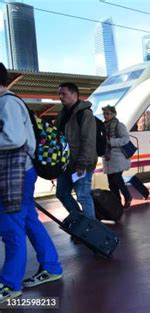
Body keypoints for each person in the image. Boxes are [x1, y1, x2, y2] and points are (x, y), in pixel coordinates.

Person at [0, 63, 63, 303]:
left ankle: (9, 284)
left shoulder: (7, 103)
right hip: (19, 173)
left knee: (10, 226)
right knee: (26, 221)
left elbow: (14, 138)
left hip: (15, 174)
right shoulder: (8, 102)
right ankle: (52, 266)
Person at [55, 82, 97, 219]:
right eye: (59, 94)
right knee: (61, 193)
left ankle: (91, 230)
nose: (60, 97)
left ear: (74, 94)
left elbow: (88, 140)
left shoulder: (84, 114)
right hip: (65, 163)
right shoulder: (62, 114)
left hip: (80, 164)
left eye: (64, 94)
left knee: (83, 196)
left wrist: (82, 163)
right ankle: (80, 221)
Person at [102, 105, 133, 208]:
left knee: (117, 179)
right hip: (108, 157)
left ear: (114, 114)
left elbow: (125, 139)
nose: (106, 116)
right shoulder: (103, 126)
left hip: (118, 157)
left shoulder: (119, 125)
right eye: (104, 114)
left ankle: (128, 196)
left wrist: (111, 142)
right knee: (111, 183)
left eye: (108, 113)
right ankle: (117, 203)